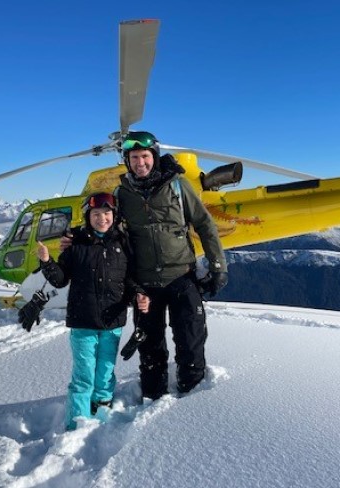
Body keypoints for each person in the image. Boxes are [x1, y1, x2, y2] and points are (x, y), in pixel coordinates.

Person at [65, 131, 228, 400]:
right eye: (134, 157)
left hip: (182, 276)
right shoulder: (121, 193)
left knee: (191, 340)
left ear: (154, 157)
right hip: (145, 286)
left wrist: (218, 265)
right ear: (127, 161)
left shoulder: (178, 185)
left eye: (145, 156)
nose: (140, 163)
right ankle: (153, 395)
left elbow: (205, 224)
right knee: (150, 346)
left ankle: (195, 399)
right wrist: (78, 238)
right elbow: (105, 227)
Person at [36, 192, 150, 430]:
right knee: (83, 375)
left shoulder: (123, 243)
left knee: (106, 372)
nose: (102, 219)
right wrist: (47, 262)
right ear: (88, 216)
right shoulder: (76, 244)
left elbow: (130, 278)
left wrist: (139, 293)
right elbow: (60, 280)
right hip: (83, 322)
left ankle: (101, 415)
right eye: (96, 214)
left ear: (114, 215)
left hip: (113, 321)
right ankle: (76, 423)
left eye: (107, 214)